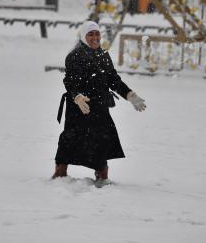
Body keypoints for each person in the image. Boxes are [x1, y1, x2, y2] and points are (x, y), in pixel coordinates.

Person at [53, 21, 146, 186]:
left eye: (97, 34)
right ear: (83, 36)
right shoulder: (74, 56)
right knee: (71, 138)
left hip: (100, 106)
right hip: (80, 107)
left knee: (103, 138)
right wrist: (77, 97)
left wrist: (129, 94)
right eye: (91, 34)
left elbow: (113, 79)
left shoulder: (103, 54)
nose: (95, 37)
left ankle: (102, 175)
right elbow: (70, 81)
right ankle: (60, 172)